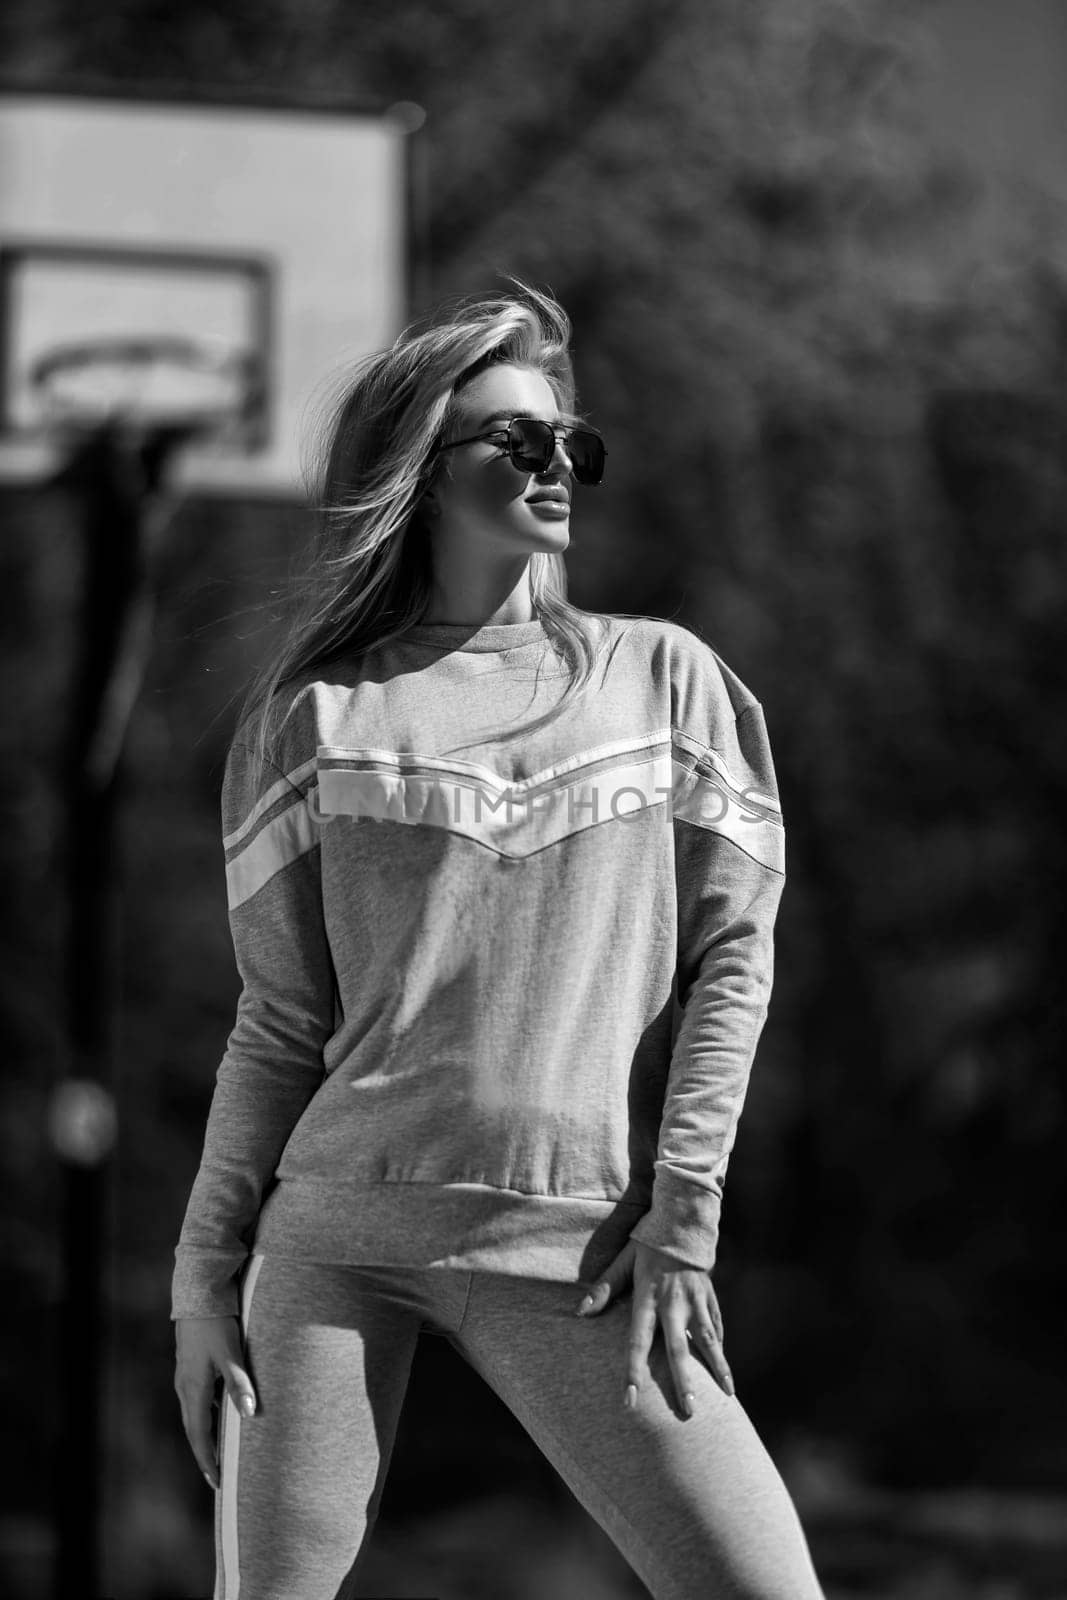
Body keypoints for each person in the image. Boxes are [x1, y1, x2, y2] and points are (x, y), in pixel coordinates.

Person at [171, 282, 826, 1600]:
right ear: (418, 469)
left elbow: (731, 968)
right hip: (333, 1241)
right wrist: (202, 1280)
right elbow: (282, 1025)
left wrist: (683, 1223)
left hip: (582, 1250)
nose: (557, 468)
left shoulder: (667, 684)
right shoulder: (314, 721)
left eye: (569, 443)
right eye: (516, 442)